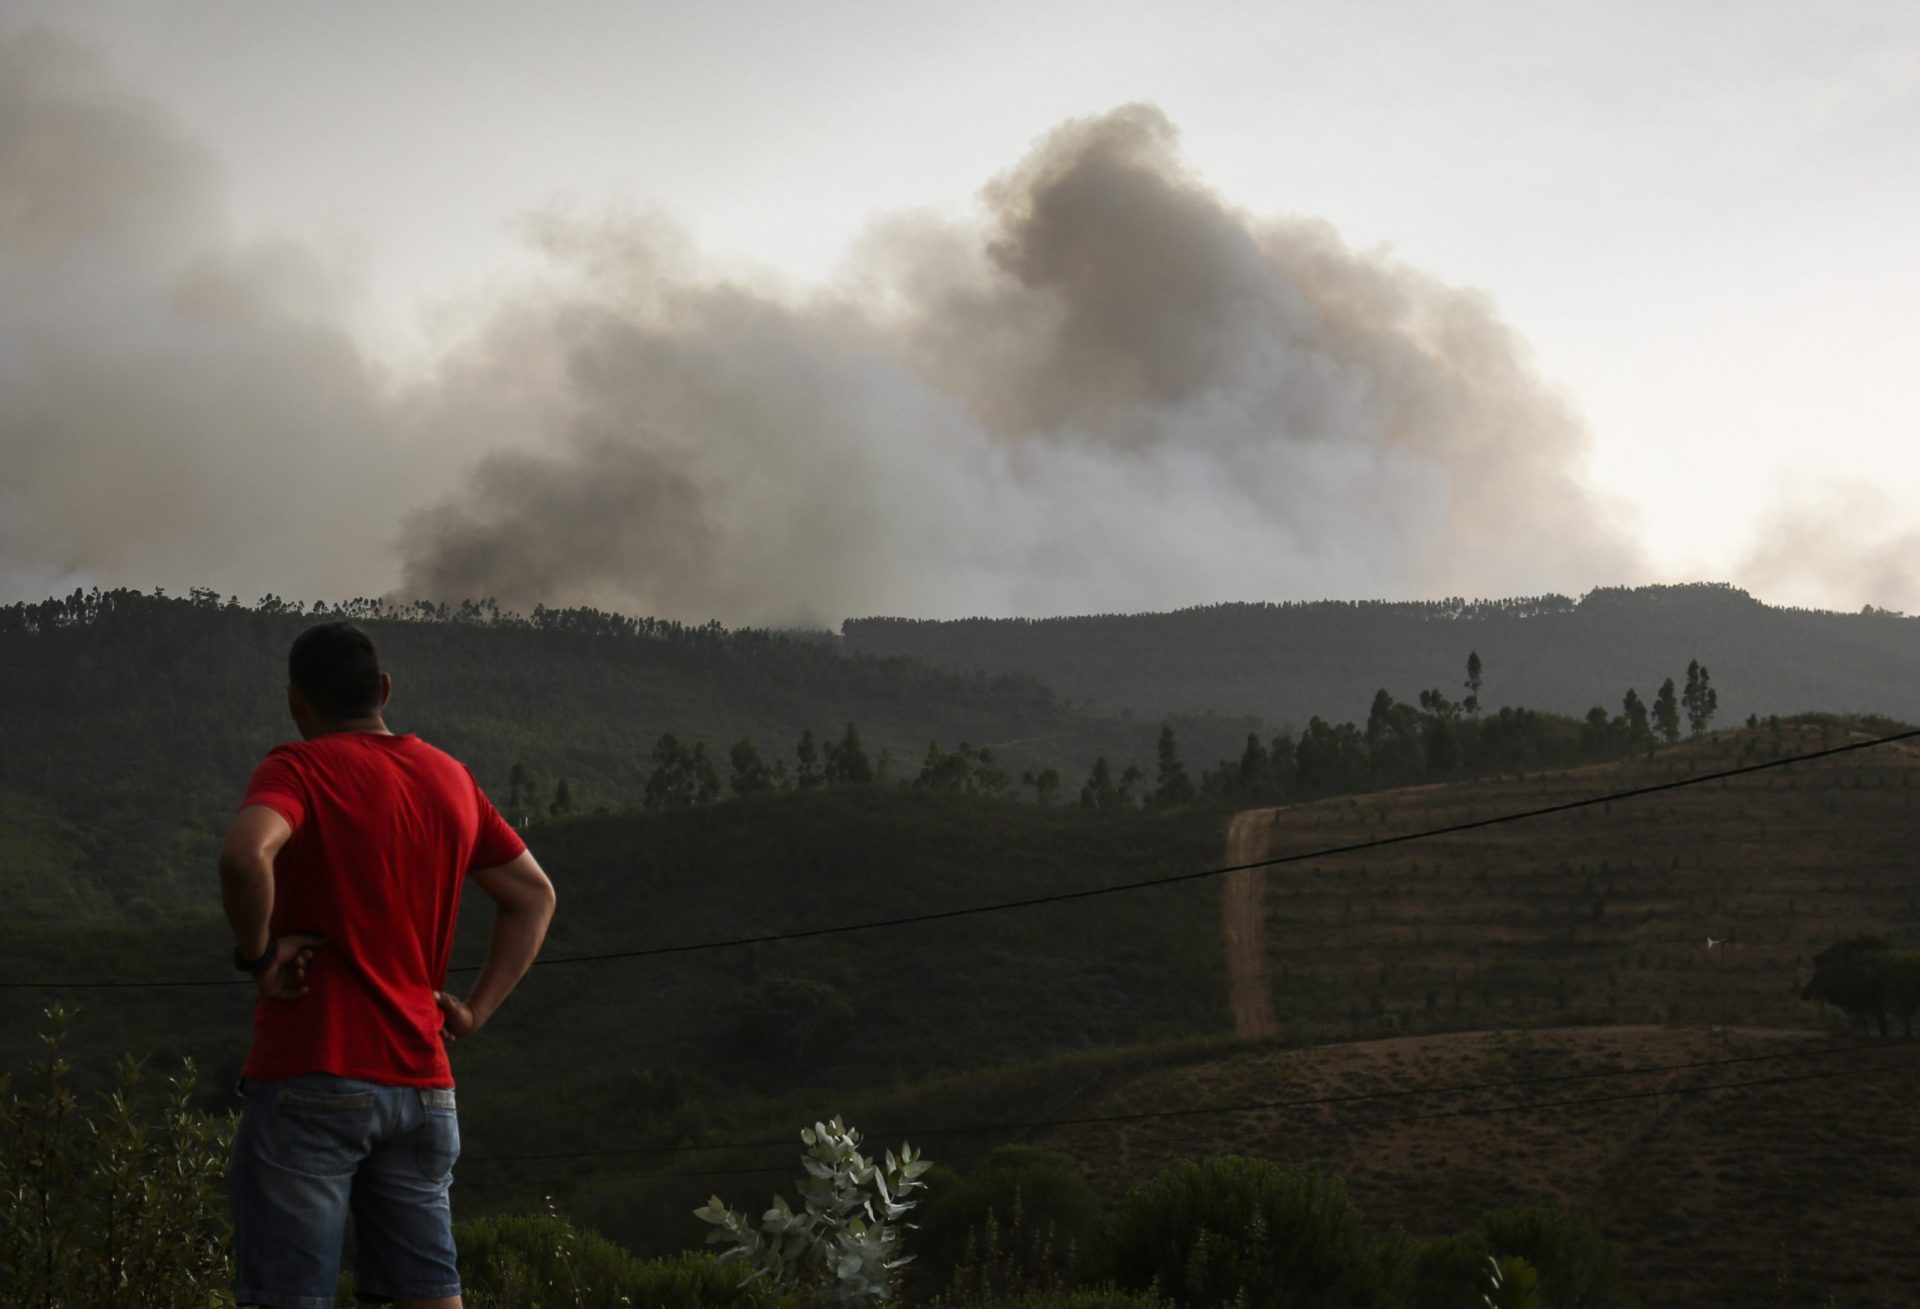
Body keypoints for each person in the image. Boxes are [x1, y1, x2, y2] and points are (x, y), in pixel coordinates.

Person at [219, 621, 557, 1309]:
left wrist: (257, 957)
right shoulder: (450, 778)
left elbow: (244, 856)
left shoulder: (298, 767)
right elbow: (533, 896)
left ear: (296, 702)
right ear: (385, 689)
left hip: (314, 1068)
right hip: (423, 1087)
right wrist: (475, 1008)